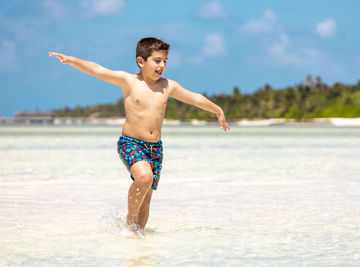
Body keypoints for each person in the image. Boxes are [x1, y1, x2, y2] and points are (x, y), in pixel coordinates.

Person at [49, 37, 230, 236]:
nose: (161, 66)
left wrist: (217, 110)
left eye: (164, 61)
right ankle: (130, 220)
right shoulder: (128, 81)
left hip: (155, 148)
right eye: (157, 60)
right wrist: (71, 60)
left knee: (147, 197)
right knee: (144, 177)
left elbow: (194, 98)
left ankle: (137, 241)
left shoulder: (168, 86)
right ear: (141, 61)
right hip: (130, 143)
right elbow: (98, 70)